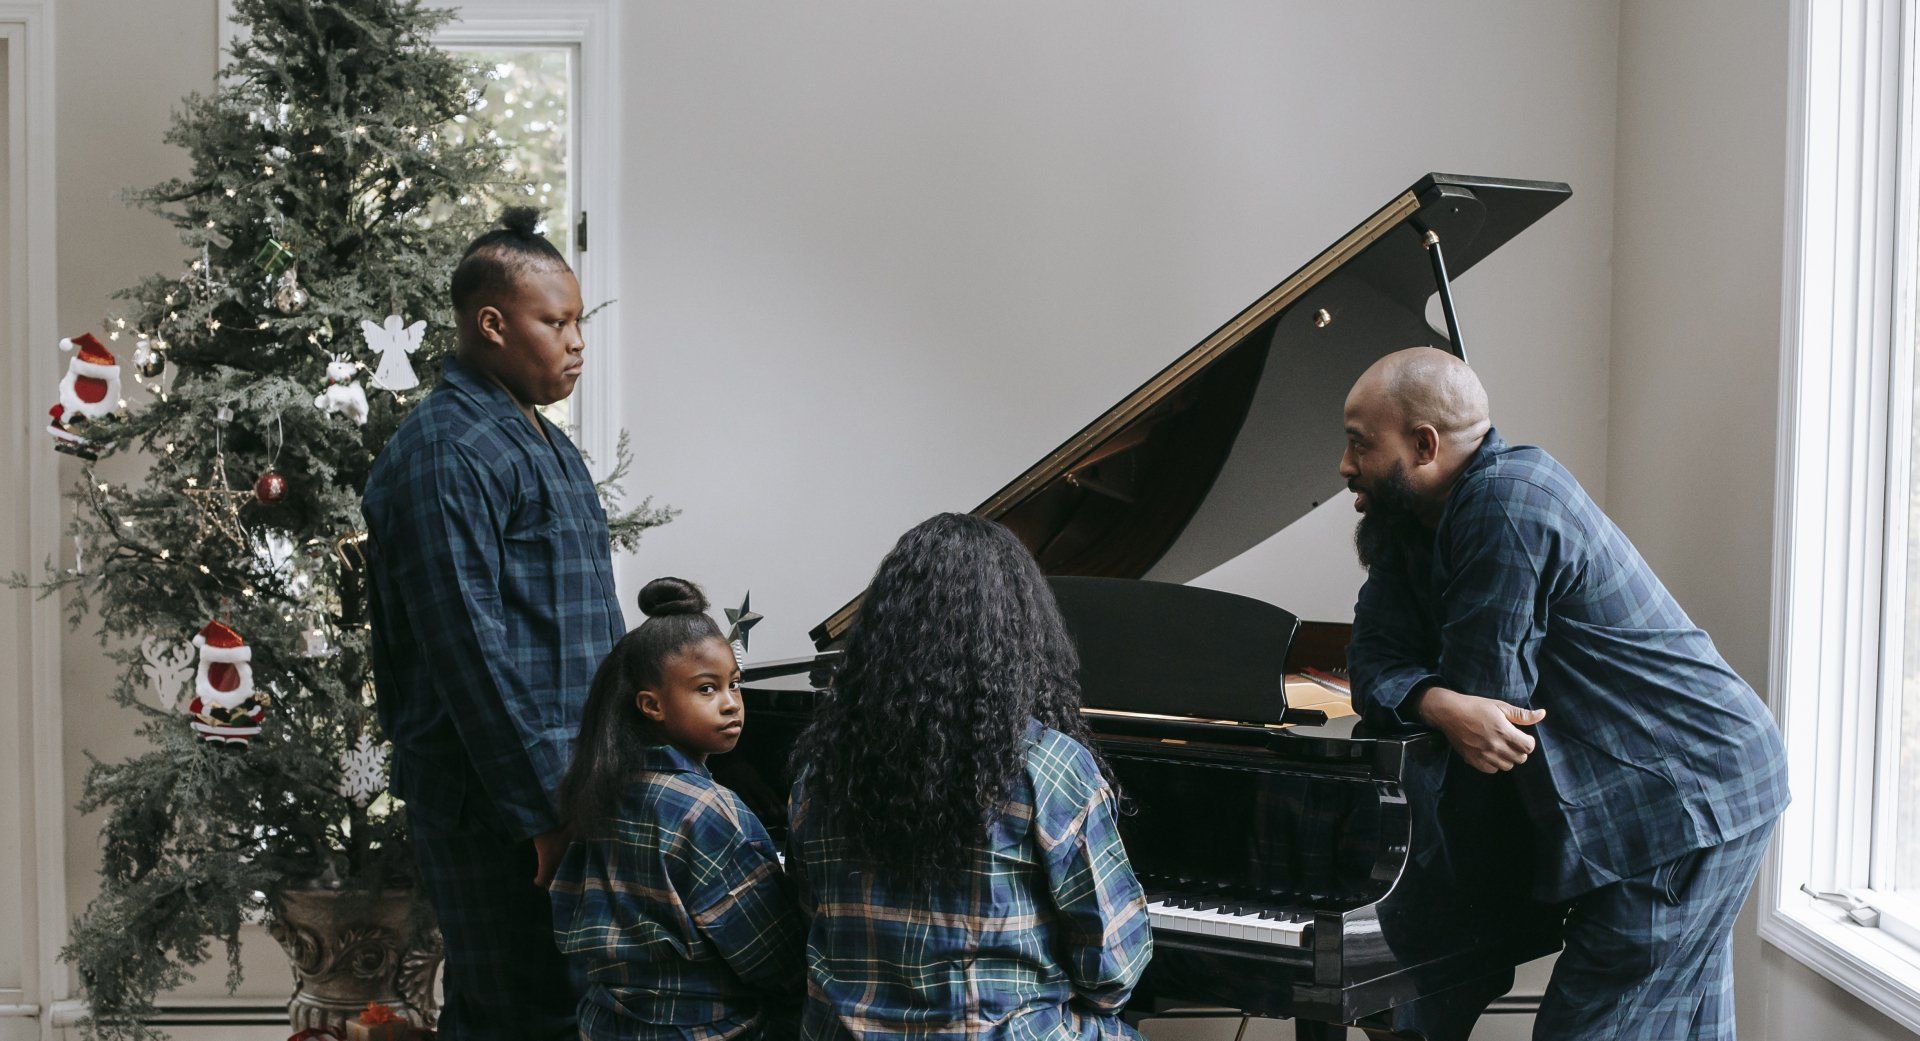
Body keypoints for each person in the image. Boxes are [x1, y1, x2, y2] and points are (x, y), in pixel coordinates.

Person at [1339, 346, 1789, 1040]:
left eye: (1359, 444)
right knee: (1680, 1023)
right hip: (1672, 785)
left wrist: (1434, 941)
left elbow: (1490, 716)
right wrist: (1434, 701)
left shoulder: (1507, 502)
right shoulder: (1412, 524)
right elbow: (1371, 660)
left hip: (1681, 798)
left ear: (1424, 445)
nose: (1344, 466)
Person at [363, 207, 624, 1039]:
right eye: (556, 321)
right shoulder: (448, 450)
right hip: (497, 810)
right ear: (491, 323)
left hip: (567, 789)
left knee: (564, 1008)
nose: (577, 341)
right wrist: (539, 813)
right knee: (516, 1014)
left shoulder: (537, 439)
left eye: (578, 320)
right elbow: (466, 650)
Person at [787, 513, 1154, 1040]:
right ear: (1021, 632)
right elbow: (1114, 971)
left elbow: (810, 915)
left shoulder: (820, 768)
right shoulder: (1048, 767)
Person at [551, 577, 806, 1040]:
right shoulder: (705, 809)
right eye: (706, 690)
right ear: (651, 705)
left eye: (735, 684)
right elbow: (776, 958)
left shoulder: (601, 789)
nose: (731, 705)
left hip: (609, 1022)